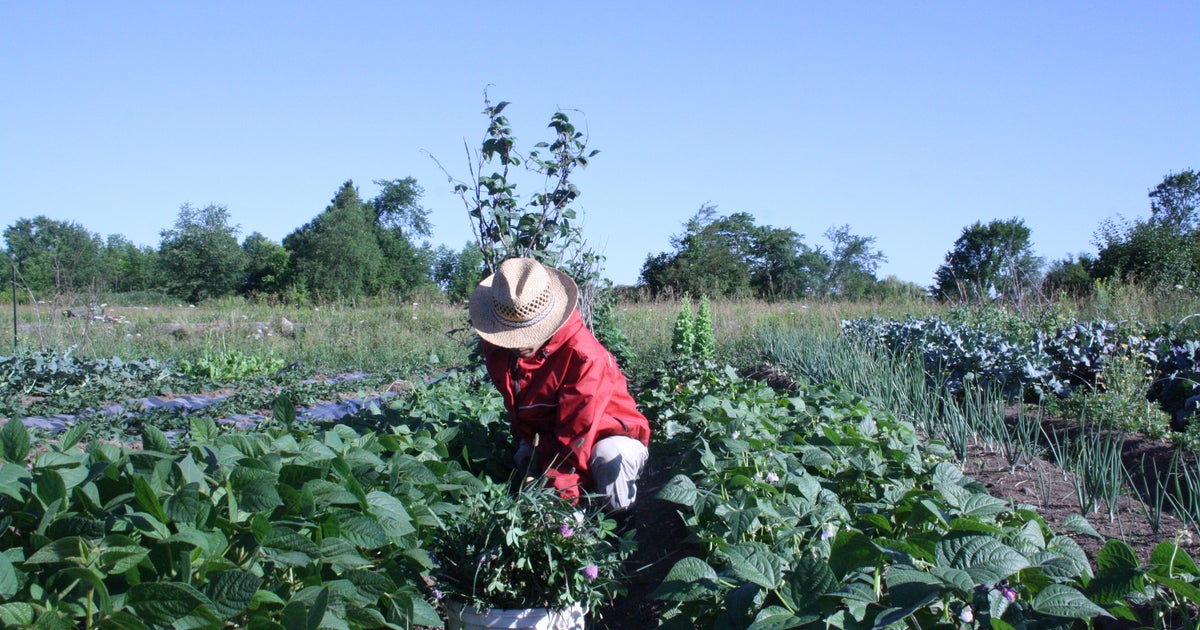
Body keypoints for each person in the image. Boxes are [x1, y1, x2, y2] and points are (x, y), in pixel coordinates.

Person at [469, 257, 651, 510]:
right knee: (524, 461)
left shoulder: (584, 357)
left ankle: (617, 526)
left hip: (606, 434)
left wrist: (560, 500)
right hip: (547, 435)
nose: (517, 344)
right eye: (510, 334)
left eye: (526, 333)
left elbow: (575, 438)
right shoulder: (497, 348)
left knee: (609, 464)